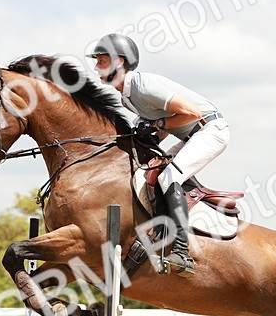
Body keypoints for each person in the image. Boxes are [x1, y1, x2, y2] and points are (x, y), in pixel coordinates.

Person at [87, 33, 229, 276]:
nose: (95, 67)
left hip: (209, 130)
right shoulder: (126, 98)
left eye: (101, 61)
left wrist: (158, 125)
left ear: (119, 62)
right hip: (189, 136)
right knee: (149, 171)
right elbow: (158, 127)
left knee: (168, 176)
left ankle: (182, 252)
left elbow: (192, 113)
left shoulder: (143, 86)